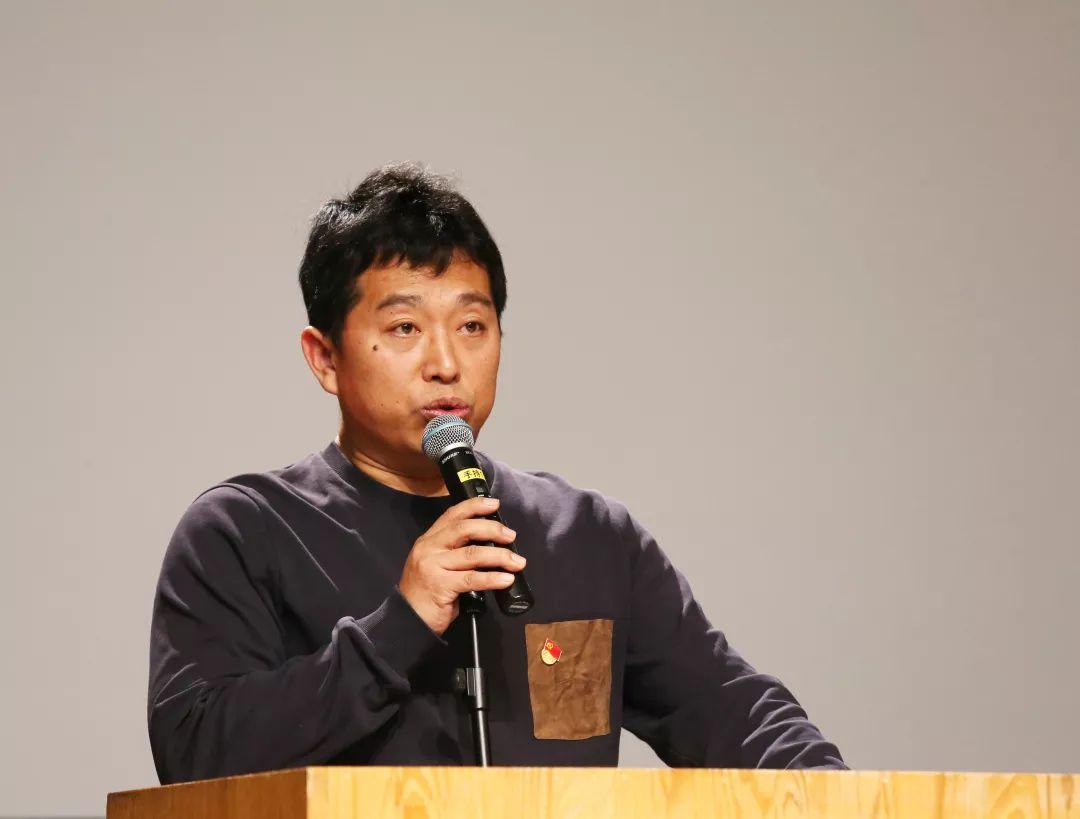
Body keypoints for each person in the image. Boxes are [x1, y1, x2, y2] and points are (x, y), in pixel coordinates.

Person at [147, 162, 846, 785]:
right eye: (404, 328)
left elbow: (727, 707)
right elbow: (195, 750)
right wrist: (400, 624)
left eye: (472, 326)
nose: (446, 363)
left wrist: (842, 793)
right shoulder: (244, 532)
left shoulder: (588, 536)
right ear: (325, 357)